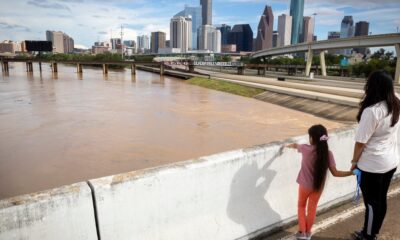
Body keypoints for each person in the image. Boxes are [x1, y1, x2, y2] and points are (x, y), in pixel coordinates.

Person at [351, 70, 400, 240]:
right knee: (381, 199)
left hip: (372, 165)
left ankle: (368, 235)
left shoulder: (372, 111)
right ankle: (373, 230)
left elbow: (360, 142)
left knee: (371, 203)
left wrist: (354, 162)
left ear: (371, 87)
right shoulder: (396, 102)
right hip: (391, 162)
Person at [286, 124, 352, 240]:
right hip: (318, 187)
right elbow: (336, 173)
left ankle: (302, 233)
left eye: (310, 136)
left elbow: (296, 146)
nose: (309, 139)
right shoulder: (328, 154)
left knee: (301, 206)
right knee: (312, 209)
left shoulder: (305, 149)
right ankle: (308, 233)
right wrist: (351, 172)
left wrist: (287, 146)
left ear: (312, 138)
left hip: (304, 186)